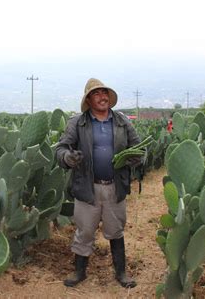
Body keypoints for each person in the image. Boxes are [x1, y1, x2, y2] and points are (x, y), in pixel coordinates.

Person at [56, 78, 141, 288]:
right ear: (89, 99)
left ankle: (121, 273)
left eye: (105, 93)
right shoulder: (78, 123)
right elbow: (61, 149)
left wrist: (135, 158)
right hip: (87, 187)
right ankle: (79, 272)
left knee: (116, 230)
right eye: (96, 94)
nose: (102, 97)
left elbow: (139, 147)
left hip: (115, 186)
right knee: (84, 231)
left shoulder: (122, 121)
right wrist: (68, 158)